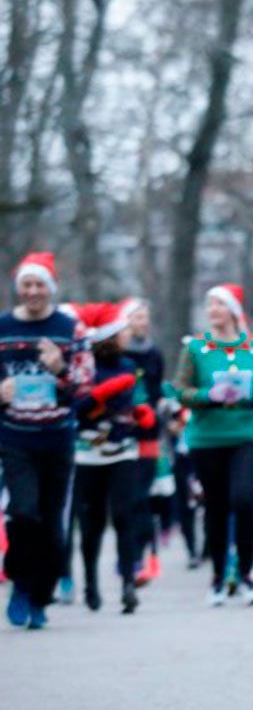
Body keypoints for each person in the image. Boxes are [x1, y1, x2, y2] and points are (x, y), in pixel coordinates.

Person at [1, 253, 94, 629]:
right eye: (27, 284)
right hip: (15, 437)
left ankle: (41, 597)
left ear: (51, 288)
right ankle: (20, 583)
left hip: (57, 438)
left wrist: (59, 369)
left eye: (40, 284)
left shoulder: (70, 329)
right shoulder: (3, 327)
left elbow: (85, 389)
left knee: (53, 525)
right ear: (18, 288)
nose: (33, 291)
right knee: (24, 513)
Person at [171, 283, 253, 607]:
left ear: (233, 310)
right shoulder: (195, 348)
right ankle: (217, 576)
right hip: (206, 436)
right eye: (209, 304)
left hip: (246, 434)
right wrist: (206, 396)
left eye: (218, 304)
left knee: (243, 500)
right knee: (215, 507)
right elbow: (180, 390)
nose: (212, 310)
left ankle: (246, 573)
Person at [71, 302, 156, 614]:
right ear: (109, 336)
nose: (128, 335)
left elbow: (138, 398)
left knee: (124, 517)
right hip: (88, 454)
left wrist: (141, 411)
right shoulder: (85, 366)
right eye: (123, 332)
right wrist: (101, 393)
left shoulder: (129, 365)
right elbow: (76, 408)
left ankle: (128, 585)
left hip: (123, 451)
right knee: (91, 523)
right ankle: (90, 582)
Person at [121, 298, 167, 587]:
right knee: (127, 500)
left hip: (149, 433)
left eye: (145, 317)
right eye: (137, 317)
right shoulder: (117, 354)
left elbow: (157, 388)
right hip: (121, 434)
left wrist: (162, 408)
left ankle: (143, 557)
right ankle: (129, 555)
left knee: (143, 498)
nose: (142, 322)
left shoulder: (155, 354)